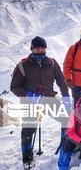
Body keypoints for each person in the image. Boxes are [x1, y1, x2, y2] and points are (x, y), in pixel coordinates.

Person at [10, 36, 70, 165]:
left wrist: (66, 95)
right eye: (37, 47)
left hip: (48, 99)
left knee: (66, 118)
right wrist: (28, 95)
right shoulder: (23, 65)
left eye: (42, 47)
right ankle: (27, 158)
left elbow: (60, 80)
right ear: (32, 48)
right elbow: (14, 87)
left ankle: (65, 146)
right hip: (30, 103)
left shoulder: (51, 63)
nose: (40, 50)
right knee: (28, 130)